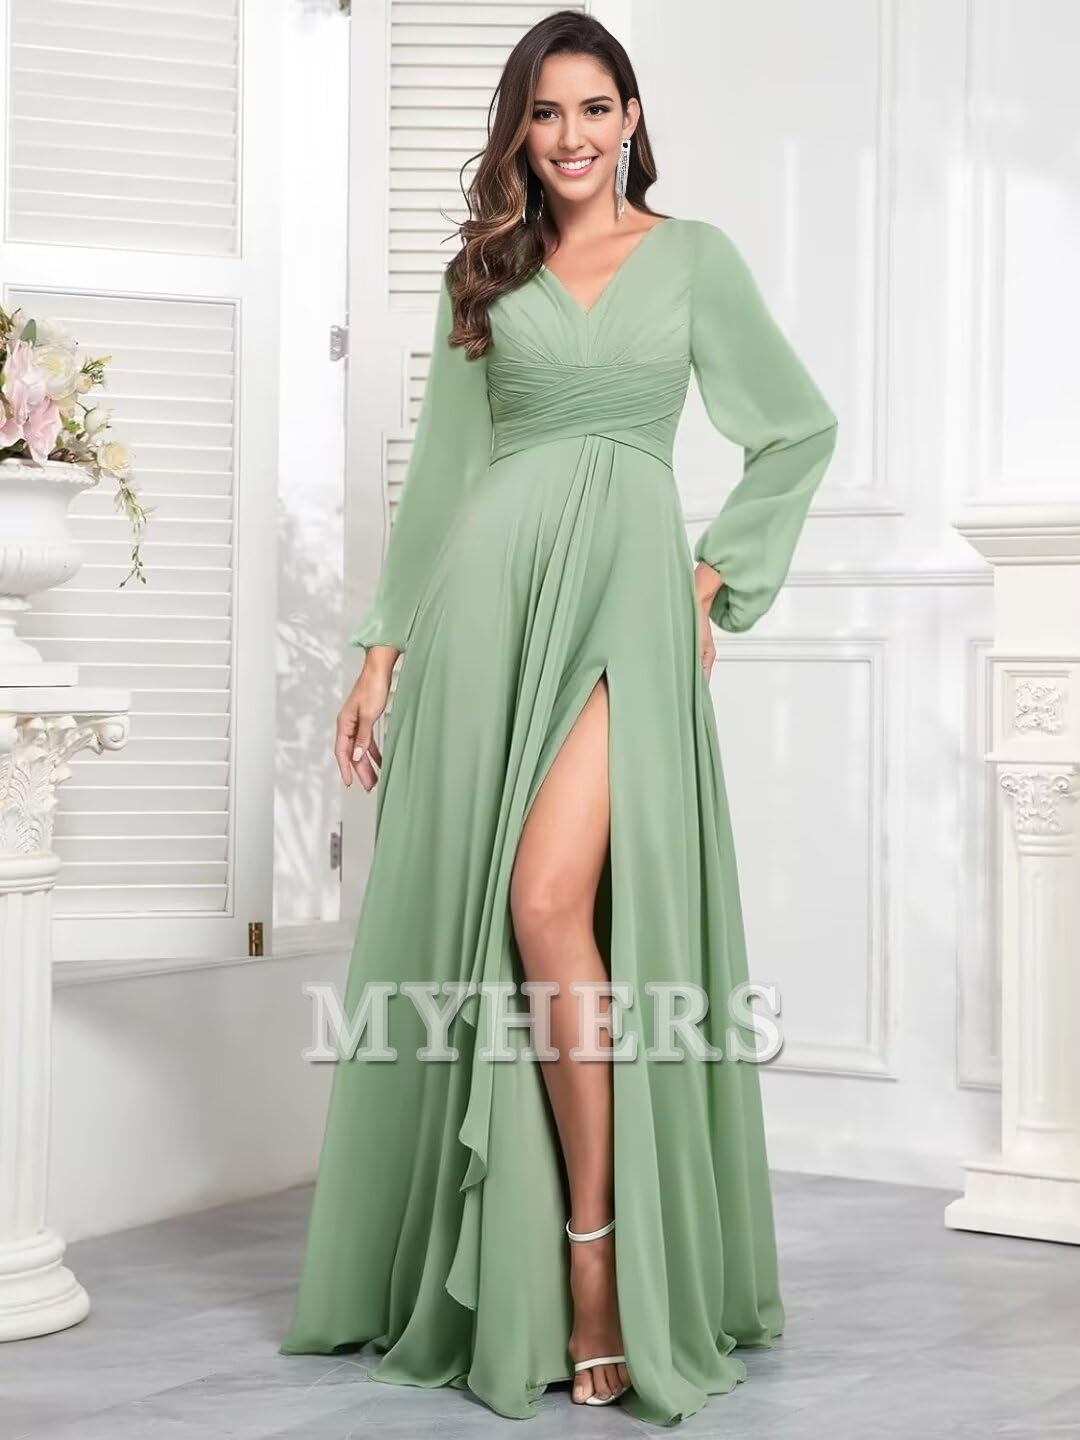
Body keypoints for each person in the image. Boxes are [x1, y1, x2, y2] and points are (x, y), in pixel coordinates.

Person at [280, 8, 838, 1426]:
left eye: (596, 108)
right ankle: (537, 1257)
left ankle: (595, 1256)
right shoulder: (486, 274)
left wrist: (713, 580)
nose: (573, 136)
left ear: (633, 118)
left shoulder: (694, 259)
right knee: (510, 919)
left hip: (626, 606)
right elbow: (442, 479)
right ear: (520, 131)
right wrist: (381, 653)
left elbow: (797, 427)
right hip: (492, 609)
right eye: (546, 113)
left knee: (546, 901)